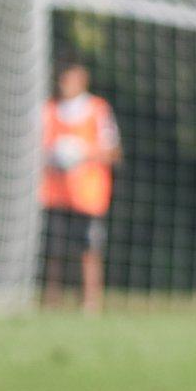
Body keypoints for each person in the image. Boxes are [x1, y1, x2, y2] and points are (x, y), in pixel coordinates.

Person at [39, 61, 121, 312]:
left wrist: (83, 154)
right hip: (55, 194)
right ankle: (50, 302)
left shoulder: (98, 110)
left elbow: (114, 152)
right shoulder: (48, 110)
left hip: (88, 196)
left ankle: (90, 303)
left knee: (89, 249)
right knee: (53, 249)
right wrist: (53, 155)